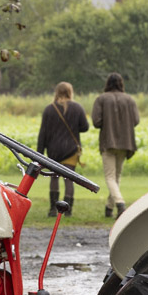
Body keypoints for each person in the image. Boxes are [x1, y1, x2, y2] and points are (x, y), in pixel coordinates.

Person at [36, 81, 90, 216]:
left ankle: (52, 209)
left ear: (57, 92)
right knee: (69, 180)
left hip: (53, 151)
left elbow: (43, 133)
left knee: (54, 178)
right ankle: (68, 211)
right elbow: (85, 127)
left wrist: (39, 155)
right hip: (71, 150)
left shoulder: (49, 109)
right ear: (70, 92)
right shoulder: (77, 108)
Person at [91, 72, 139, 218]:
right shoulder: (129, 100)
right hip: (126, 142)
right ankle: (109, 208)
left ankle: (119, 203)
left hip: (108, 141)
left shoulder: (101, 99)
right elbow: (136, 120)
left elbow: (96, 122)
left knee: (110, 177)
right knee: (116, 176)